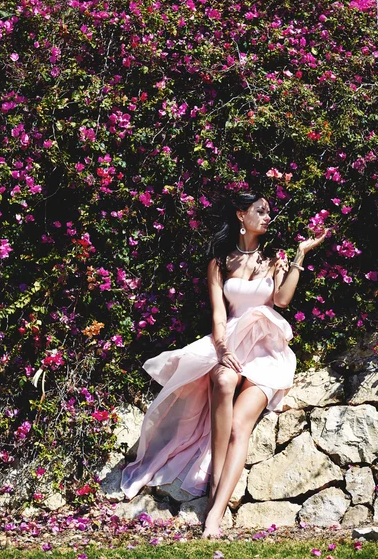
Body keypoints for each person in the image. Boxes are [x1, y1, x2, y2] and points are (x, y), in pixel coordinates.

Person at [120, 190, 328, 538]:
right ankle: (215, 483)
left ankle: (214, 515)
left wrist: (299, 257)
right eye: (260, 211)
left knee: (238, 428)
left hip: (267, 349)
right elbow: (219, 314)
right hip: (230, 340)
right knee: (222, 381)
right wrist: (222, 347)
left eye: (268, 212)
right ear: (240, 215)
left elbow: (282, 300)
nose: (267, 217)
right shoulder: (219, 262)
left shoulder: (270, 261)